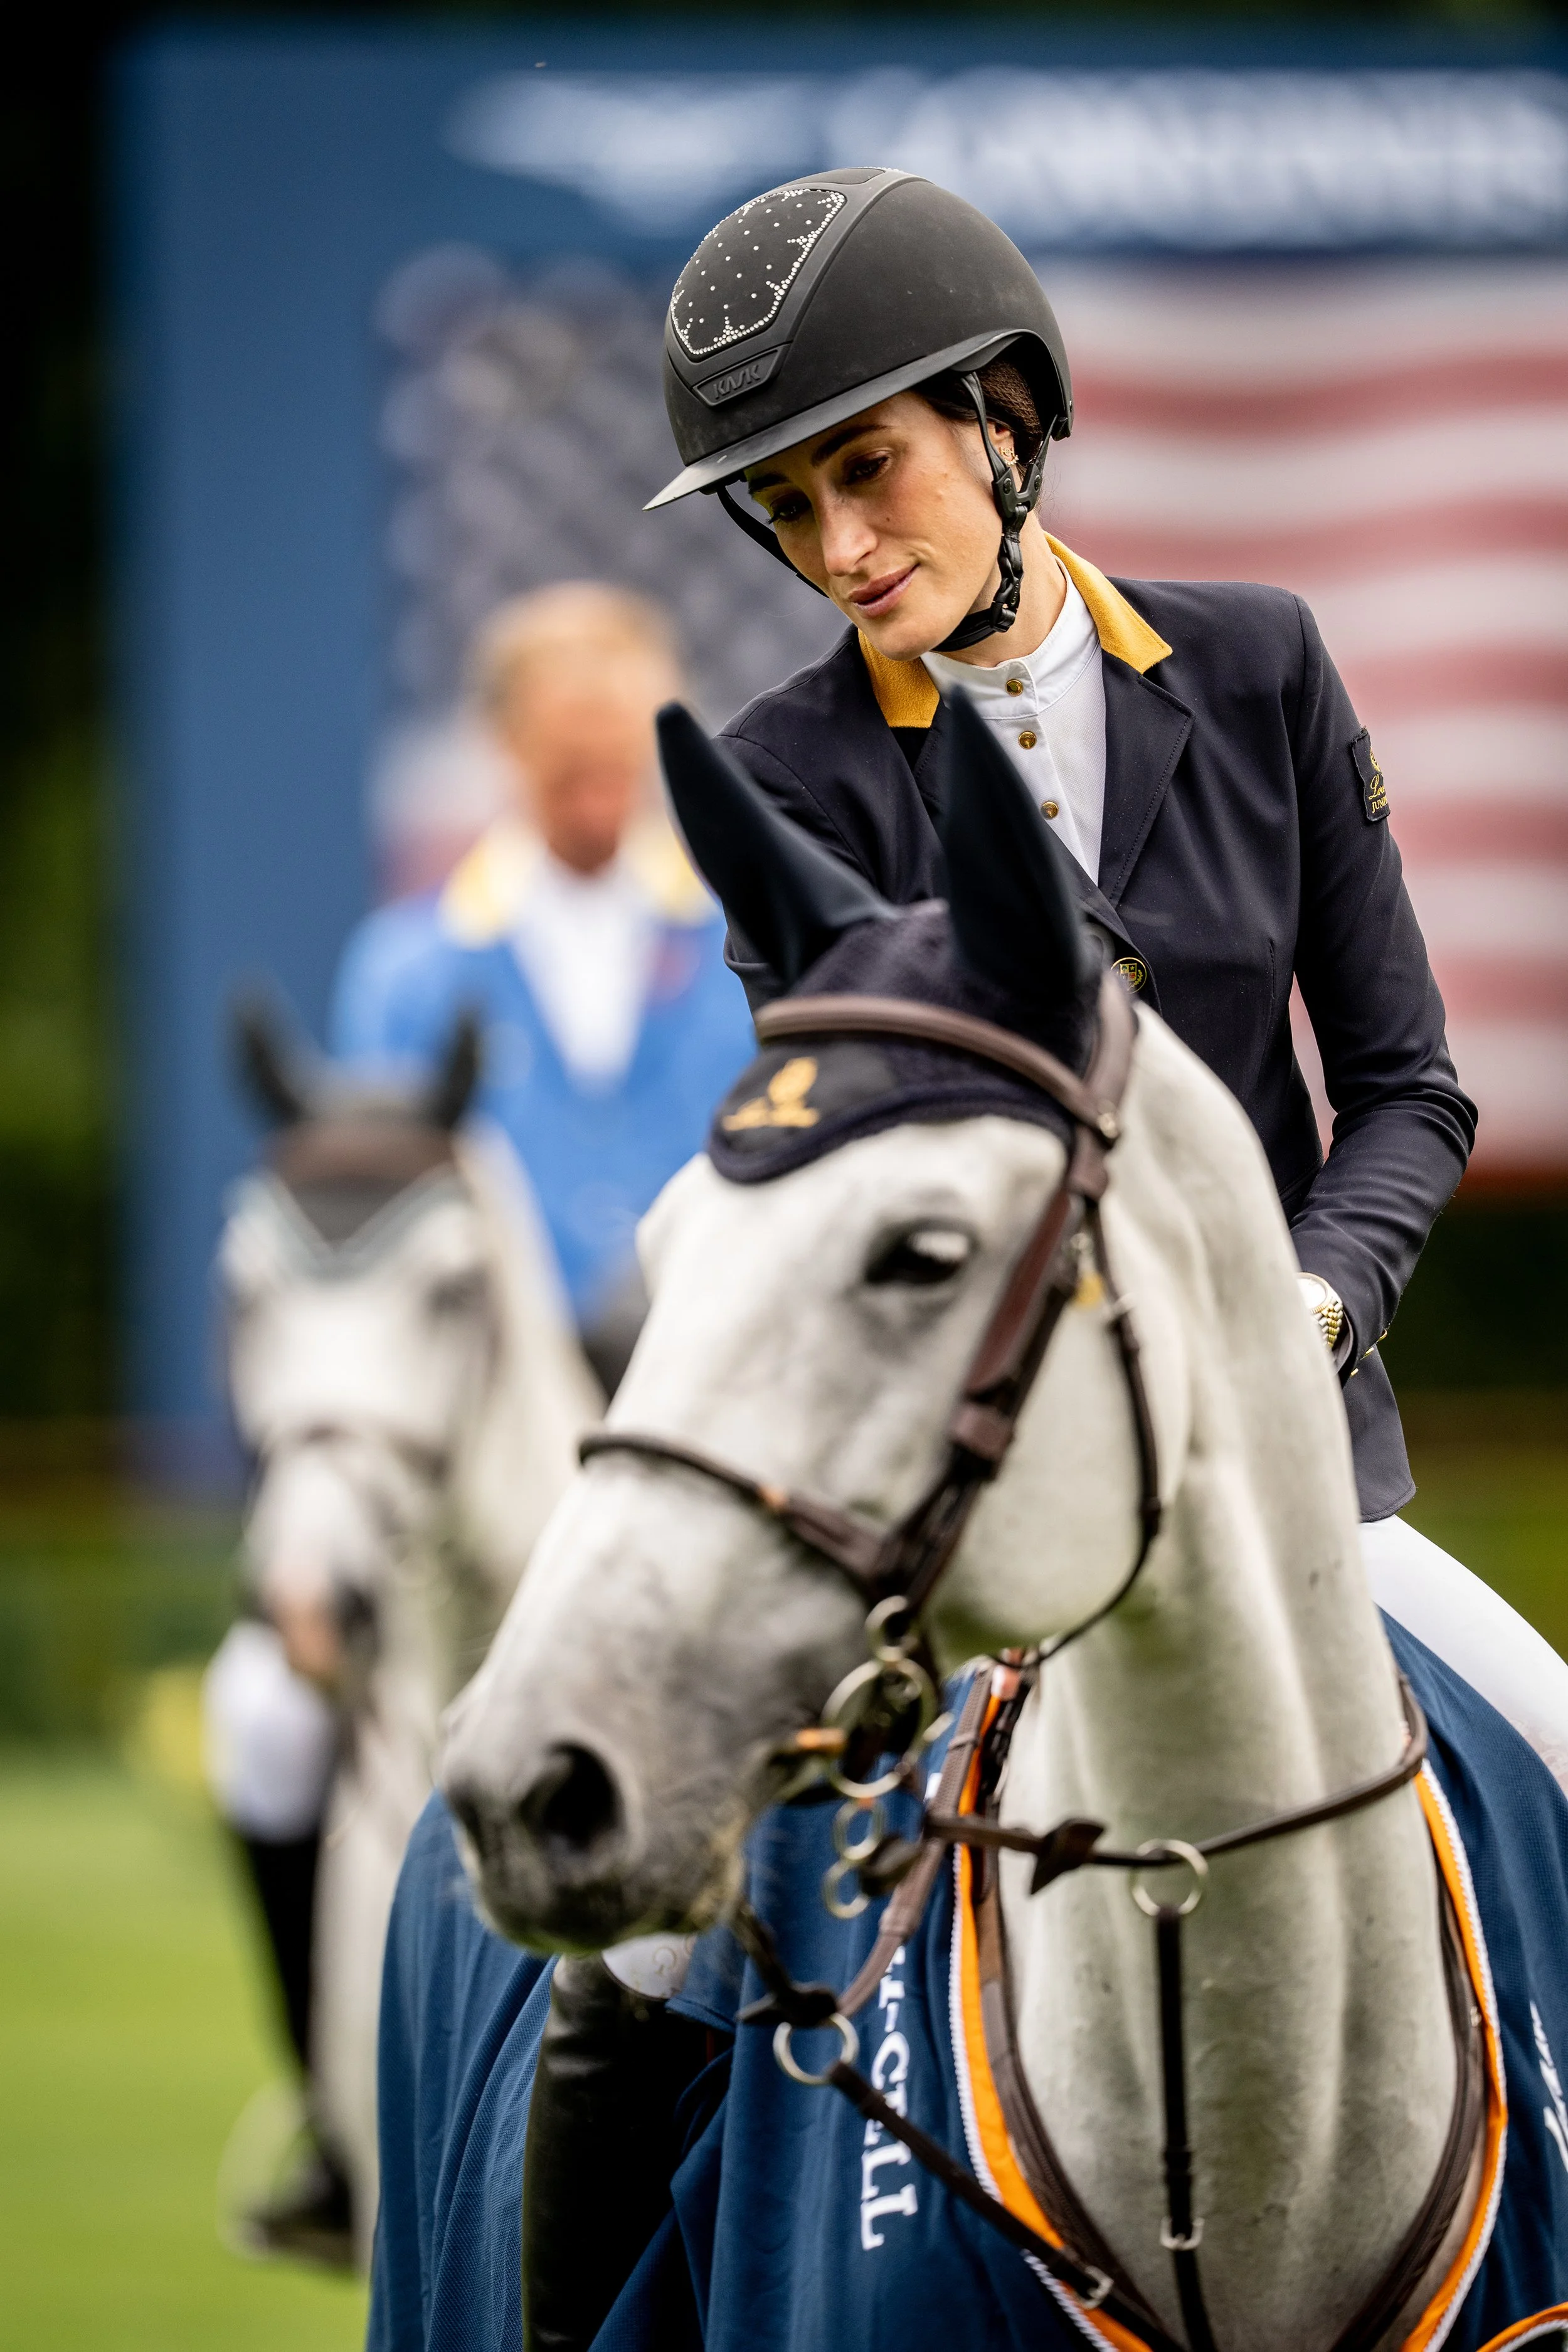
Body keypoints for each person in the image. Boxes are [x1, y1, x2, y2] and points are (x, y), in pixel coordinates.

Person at [372, 173, 1568, 2350]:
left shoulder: (1260, 669)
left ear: (1004, 420)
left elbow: (1406, 1088)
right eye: (788, 508)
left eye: (868, 469)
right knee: (632, 1956)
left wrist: (1304, 1306)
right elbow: (849, 1198)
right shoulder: (785, 779)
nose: (838, 544)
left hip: (1295, 1485)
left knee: (1559, 1761)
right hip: (954, 1511)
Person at [331, 581, 755, 1389]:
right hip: (492, 1394)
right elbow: (385, 1219)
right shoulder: (405, 972)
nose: (597, 791)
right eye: (568, 764)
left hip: (712, 1374)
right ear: (503, 742)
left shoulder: (751, 947)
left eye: (617, 760)